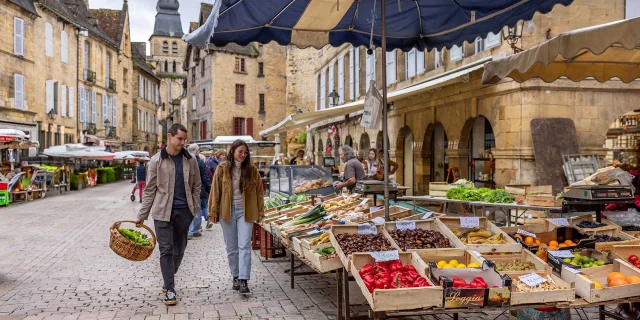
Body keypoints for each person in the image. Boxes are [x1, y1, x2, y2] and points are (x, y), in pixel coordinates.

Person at [134, 123, 201, 306]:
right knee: (166, 250)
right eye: (180, 139)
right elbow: (149, 191)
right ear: (169, 137)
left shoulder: (191, 160)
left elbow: (196, 185)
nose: (183, 143)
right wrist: (142, 215)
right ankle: (170, 288)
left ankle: (168, 277)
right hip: (162, 213)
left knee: (179, 250)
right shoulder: (156, 161)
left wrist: (194, 208)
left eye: (185, 139)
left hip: (184, 212)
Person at [209, 139, 264, 295]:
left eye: (245, 152)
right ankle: (235, 276)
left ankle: (244, 279)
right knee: (232, 248)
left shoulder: (252, 170)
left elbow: (259, 192)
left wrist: (260, 212)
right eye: (240, 151)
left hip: (245, 211)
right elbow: (215, 191)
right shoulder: (222, 168)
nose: (243, 155)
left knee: (244, 245)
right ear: (232, 151)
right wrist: (213, 212)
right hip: (227, 211)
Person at [187, 144, 211, 240]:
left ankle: (193, 230)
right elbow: (204, 176)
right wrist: (209, 188)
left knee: (191, 211)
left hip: (187, 189)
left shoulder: (185, 159)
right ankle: (192, 231)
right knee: (197, 210)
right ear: (197, 151)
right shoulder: (199, 161)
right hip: (198, 189)